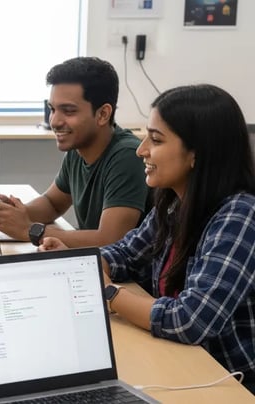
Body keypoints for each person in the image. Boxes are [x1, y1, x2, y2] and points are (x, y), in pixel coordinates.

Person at [41, 84, 255, 393]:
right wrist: (79, 266)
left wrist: (109, 294)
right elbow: (127, 254)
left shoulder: (239, 215)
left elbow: (190, 320)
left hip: (229, 381)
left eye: (155, 140)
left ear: (197, 153)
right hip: (182, 362)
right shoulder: (174, 203)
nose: (141, 150)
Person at [0, 57, 148, 248]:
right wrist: (13, 214)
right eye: (52, 109)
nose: (54, 121)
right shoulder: (78, 148)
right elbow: (52, 203)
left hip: (124, 276)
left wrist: (29, 230)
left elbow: (110, 239)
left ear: (103, 114)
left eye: (69, 111)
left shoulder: (127, 156)